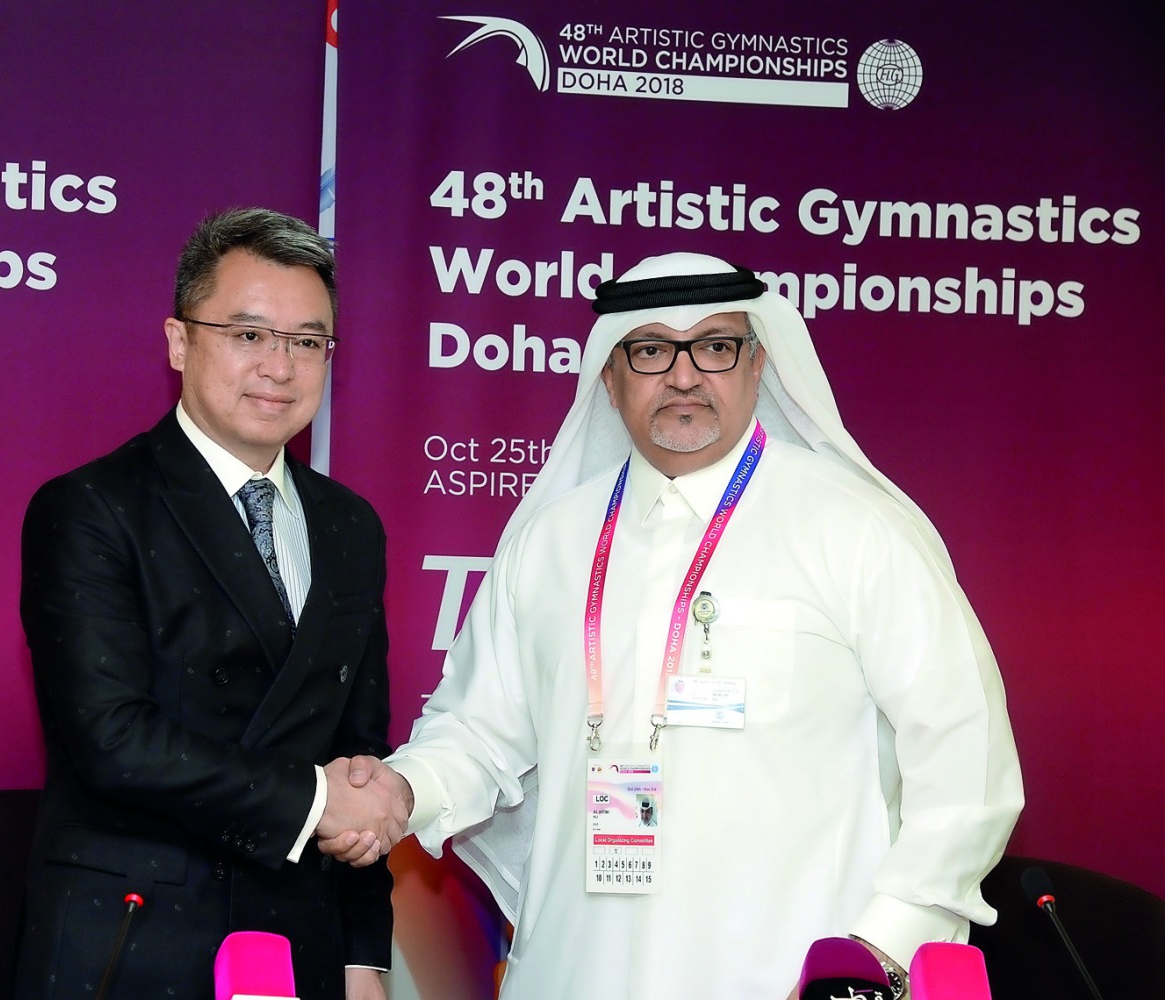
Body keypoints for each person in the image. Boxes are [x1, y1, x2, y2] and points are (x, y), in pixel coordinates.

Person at [325, 252, 1025, 999]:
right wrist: (403, 790)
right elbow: (477, 731)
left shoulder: (857, 529)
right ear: (610, 374)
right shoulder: (551, 541)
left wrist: (877, 949)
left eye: (716, 347)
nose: (685, 376)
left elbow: (968, 762)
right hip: (575, 969)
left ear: (758, 364)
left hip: (788, 975)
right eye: (652, 349)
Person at [15, 208, 406, 1000]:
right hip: (132, 942)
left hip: (298, 941)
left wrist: (364, 952)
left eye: (307, 341)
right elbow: (113, 739)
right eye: (248, 334)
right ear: (179, 342)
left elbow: (360, 750)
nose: (280, 366)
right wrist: (317, 800)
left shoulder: (349, 525)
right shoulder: (92, 506)